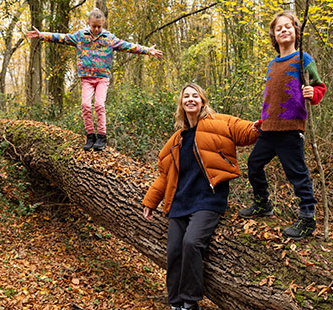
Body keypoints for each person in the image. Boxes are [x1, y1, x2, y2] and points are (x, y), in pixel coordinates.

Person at [142, 83, 259, 310]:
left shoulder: (219, 123)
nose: (191, 99)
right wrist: (150, 201)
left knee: (191, 243)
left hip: (208, 200)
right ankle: (176, 303)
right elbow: (164, 175)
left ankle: (190, 301)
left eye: (195, 95)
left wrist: (262, 125)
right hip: (180, 202)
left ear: (203, 101)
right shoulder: (176, 139)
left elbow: (246, 131)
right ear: (181, 104)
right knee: (174, 251)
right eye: (186, 96)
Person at [237, 12, 327, 241]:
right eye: (279, 29)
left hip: (290, 128)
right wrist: (263, 119)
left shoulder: (303, 58)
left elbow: (319, 87)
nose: (284, 30)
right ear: (274, 36)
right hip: (269, 128)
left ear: (297, 32)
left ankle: (307, 218)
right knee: (253, 165)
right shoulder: (271, 64)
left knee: (297, 174)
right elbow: (271, 96)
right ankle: (262, 204)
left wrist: (312, 93)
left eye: (288, 27)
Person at [25, 8, 163, 151]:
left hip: (102, 77)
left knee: (99, 105)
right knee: (85, 105)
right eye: (94, 26)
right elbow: (62, 38)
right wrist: (42, 35)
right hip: (86, 77)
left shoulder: (109, 38)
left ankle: (102, 137)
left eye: (99, 26)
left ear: (103, 24)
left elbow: (128, 46)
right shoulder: (80, 36)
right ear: (88, 23)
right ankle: (90, 135)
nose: (96, 29)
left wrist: (148, 50)